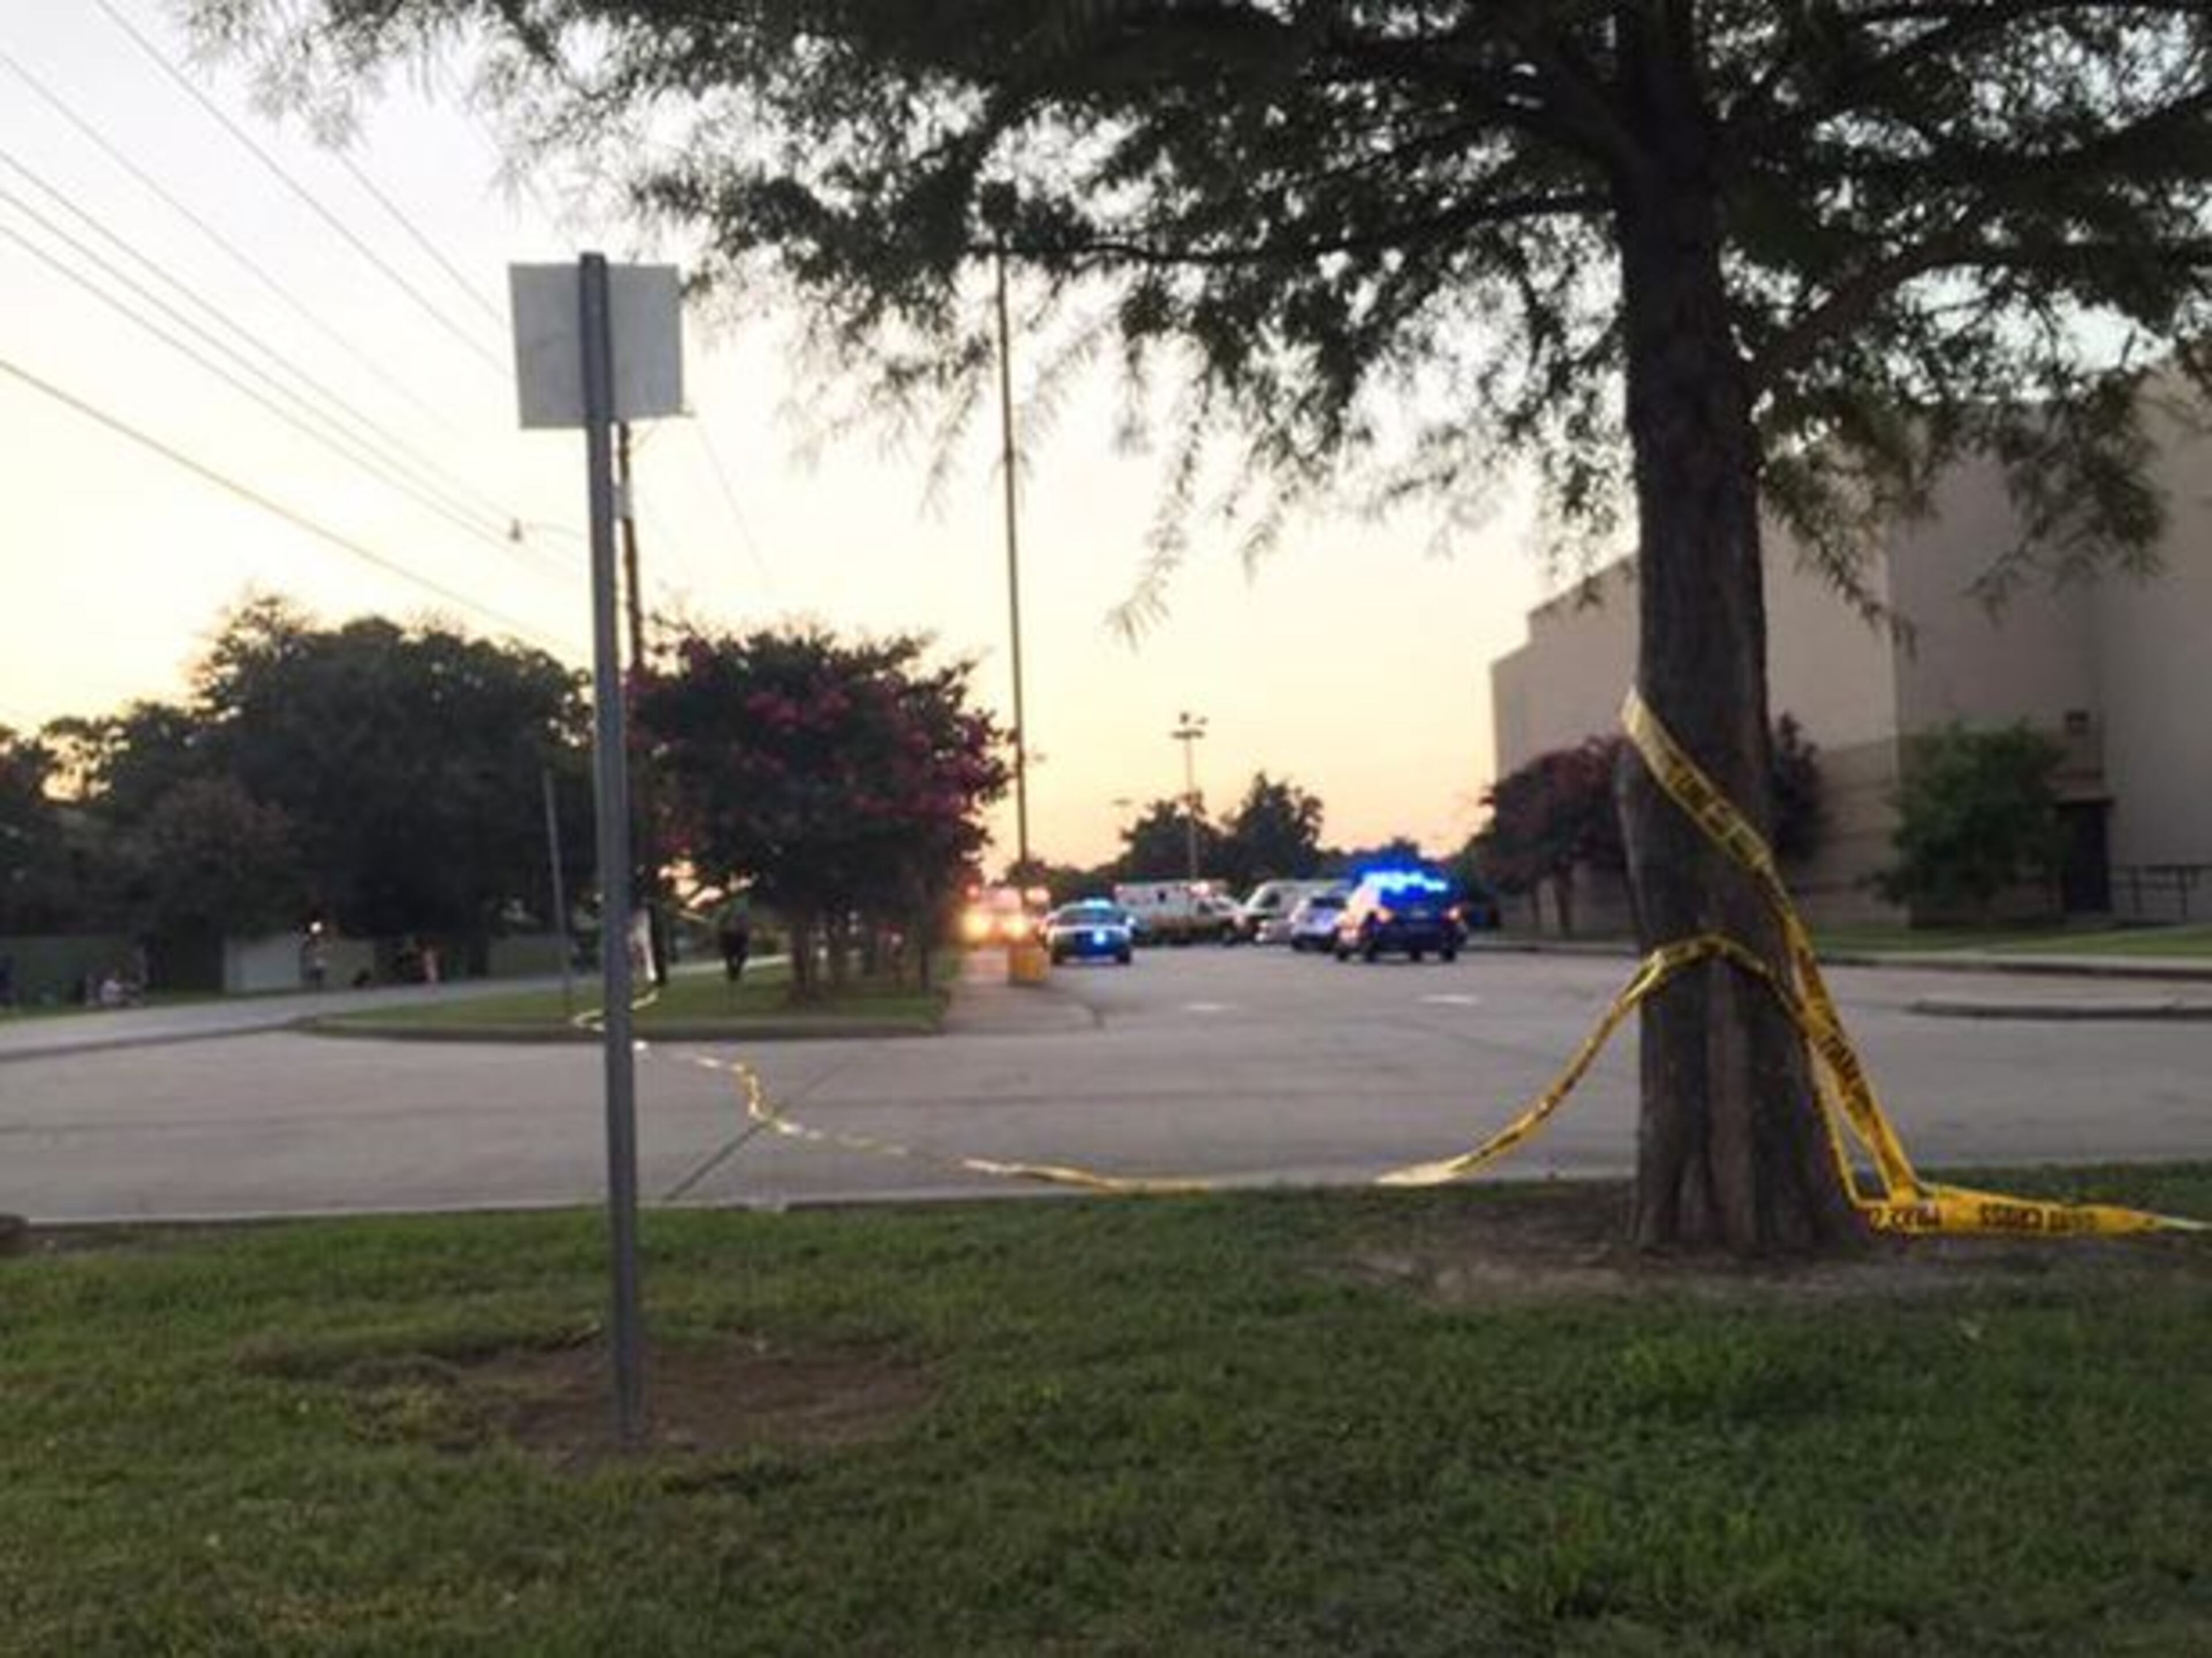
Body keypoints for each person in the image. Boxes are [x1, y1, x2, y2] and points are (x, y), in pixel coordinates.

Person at [717, 891, 753, 983]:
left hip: (740, 933)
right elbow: (720, 920)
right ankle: (733, 975)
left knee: (741, 955)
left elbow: (748, 920)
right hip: (729, 933)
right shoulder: (728, 907)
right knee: (731, 956)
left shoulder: (744, 906)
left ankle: (735, 973)